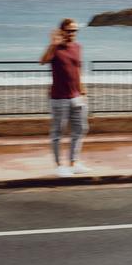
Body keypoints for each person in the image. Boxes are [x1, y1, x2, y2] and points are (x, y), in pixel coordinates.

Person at [40, 18, 90, 177]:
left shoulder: (78, 47)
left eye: (74, 30)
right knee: (58, 132)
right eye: (69, 30)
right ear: (62, 31)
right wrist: (52, 44)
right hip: (59, 97)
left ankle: (74, 163)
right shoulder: (55, 48)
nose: (72, 33)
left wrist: (83, 91)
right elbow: (42, 61)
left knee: (80, 129)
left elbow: (78, 69)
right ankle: (59, 166)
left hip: (76, 96)